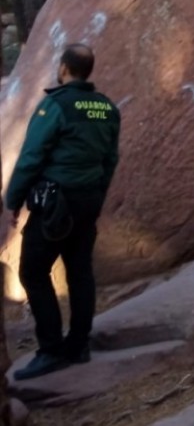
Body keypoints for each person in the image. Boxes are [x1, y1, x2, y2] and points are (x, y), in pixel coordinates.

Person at [6, 43, 121, 380]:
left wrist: (13, 200)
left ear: (64, 69)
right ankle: (79, 345)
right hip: (87, 200)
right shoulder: (107, 108)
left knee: (33, 272)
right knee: (80, 270)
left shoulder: (55, 106)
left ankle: (51, 349)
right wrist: (97, 194)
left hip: (55, 203)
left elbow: (32, 156)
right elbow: (110, 159)